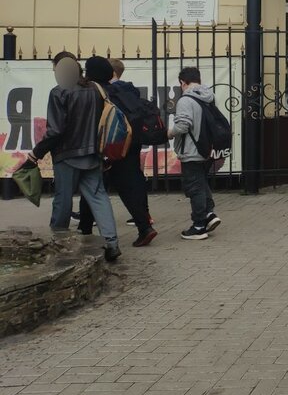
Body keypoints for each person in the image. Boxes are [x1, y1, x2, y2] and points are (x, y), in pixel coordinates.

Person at [25, 53, 121, 261]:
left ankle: (57, 242)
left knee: (63, 200)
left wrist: (36, 153)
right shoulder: (95, 90)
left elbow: (56, 130)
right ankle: (112, 242)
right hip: (93, 153)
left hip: (66, 155)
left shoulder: (59, 92)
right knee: (99, 197)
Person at [76, 57, 157, 247]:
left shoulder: (94, 93)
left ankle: (85, 229)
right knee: (130, 187)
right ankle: (144, 227)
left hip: (107, 148)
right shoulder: (125, 90)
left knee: (92, 186)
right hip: (129, 144)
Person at [167, 67, 222, 240]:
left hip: (191, 149)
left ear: (183, 82)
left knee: (194, 188)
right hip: (206, 148)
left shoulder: (186, 100)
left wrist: (169, 132)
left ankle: (199, 226)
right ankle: (209, 215)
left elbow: (183, 125)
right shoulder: (209, 97)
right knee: (201, 183)